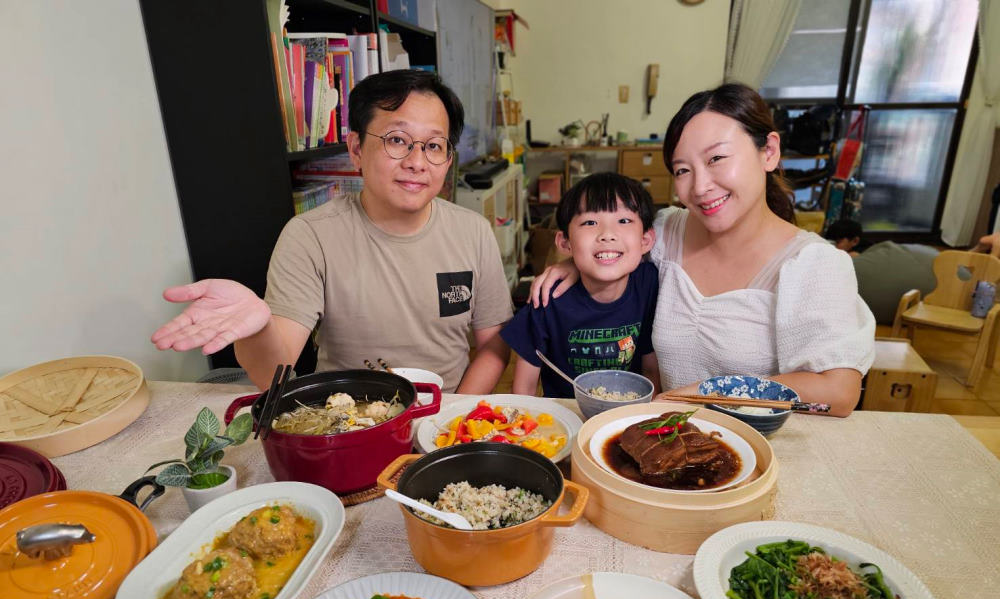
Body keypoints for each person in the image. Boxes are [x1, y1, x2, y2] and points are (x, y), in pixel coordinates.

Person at [151, 70, 512, 394]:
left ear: (448, 159)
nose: (417, 162)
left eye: (433, 146)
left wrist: (451, 417)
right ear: (356, 149)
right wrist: (258, 330)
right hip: (349, 424)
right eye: (398, 140)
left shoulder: (473, 232)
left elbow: (495, 345)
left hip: (444, 417)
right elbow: (270, 376)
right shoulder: (310, 235)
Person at [531, 83, 874, 417]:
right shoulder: (666, 233)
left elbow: (839, 391)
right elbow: (609, 245)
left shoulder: (813, 265)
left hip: (760, 450)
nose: (700, 186)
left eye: (716, 158)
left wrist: (701, 395)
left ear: (769, 151)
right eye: (682, 170)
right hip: (666, 443)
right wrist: (575, 266)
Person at [501, 173, 660, 397]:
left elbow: (651, 370)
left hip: (627, 419)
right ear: (564, 243)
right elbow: (524, 389)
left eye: (624, 221)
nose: (607, 234)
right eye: (590, 222)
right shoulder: (547, 297)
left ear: (646, 240)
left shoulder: (649, 285)